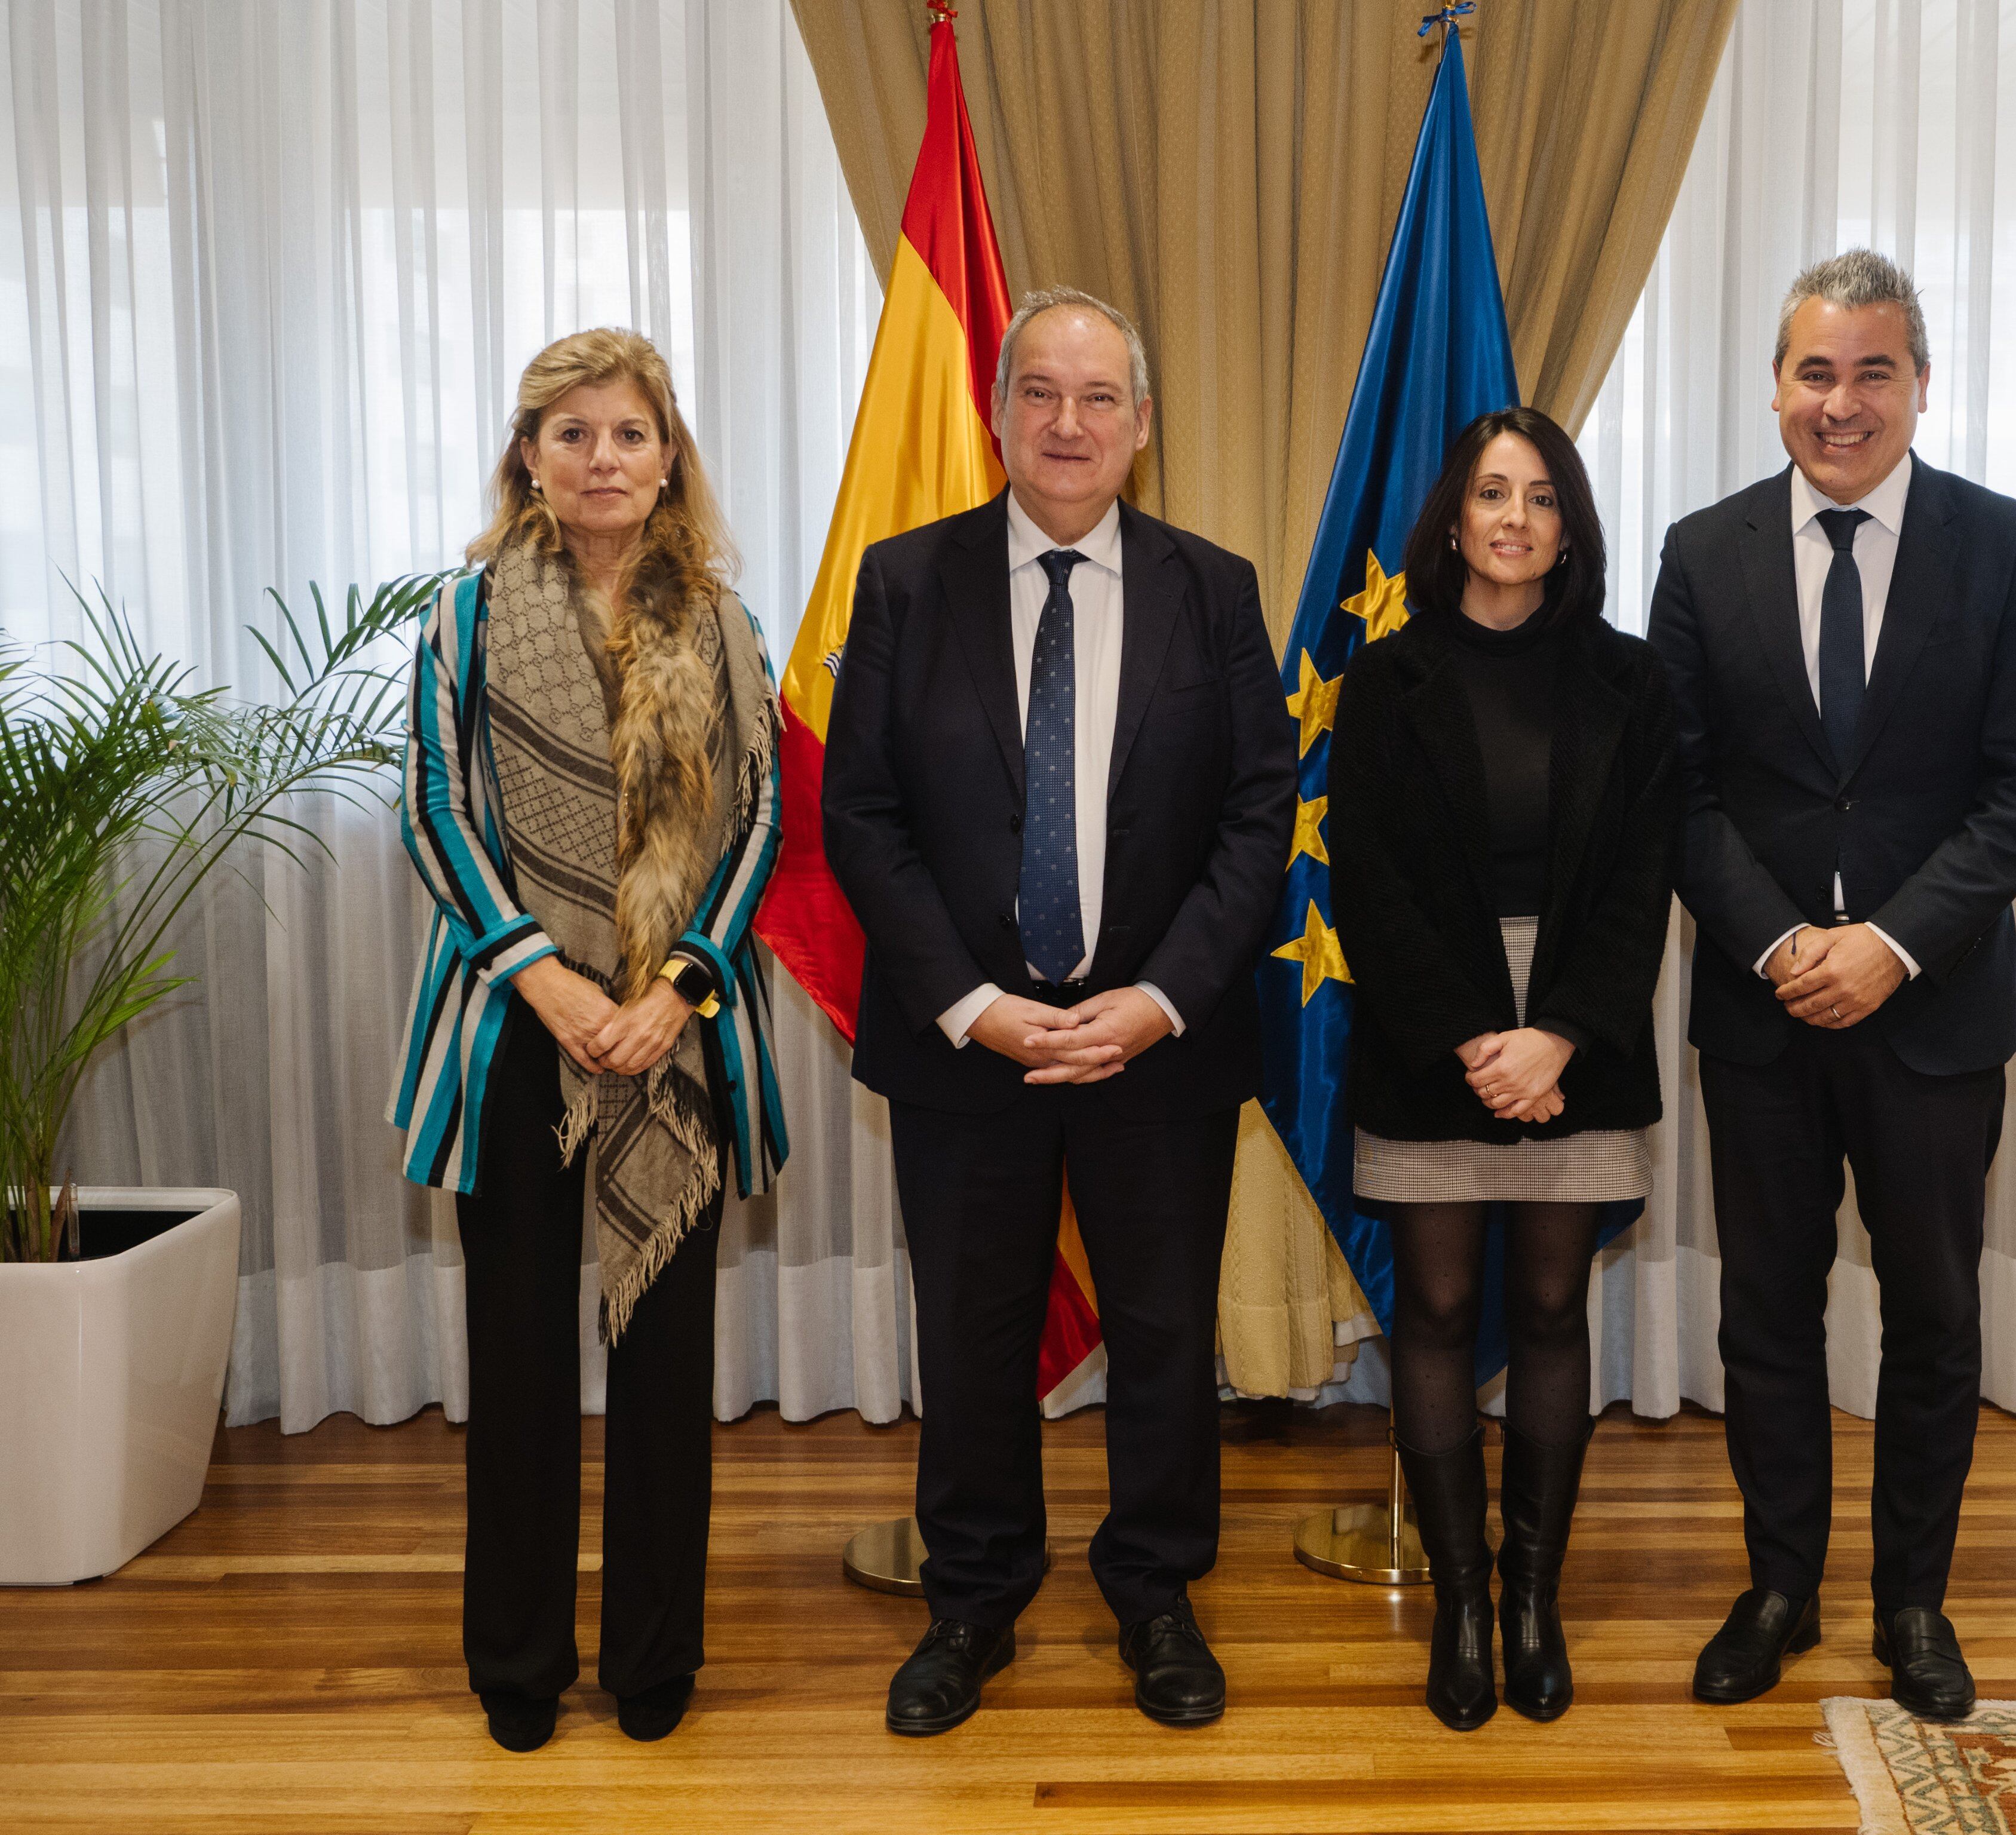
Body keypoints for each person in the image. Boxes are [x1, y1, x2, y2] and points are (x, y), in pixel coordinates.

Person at [822, 287, 1296, 1735]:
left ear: (1141, 427)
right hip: (969, 1047)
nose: (1068, 423)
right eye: (1041, 392)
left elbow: (1256, 815)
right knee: (972, 1336)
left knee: (1160, 1334)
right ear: (998, 413)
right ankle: (972, 1602)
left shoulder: (1211, 589)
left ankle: (1155, 1595)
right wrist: (970, 1003)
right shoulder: (906, 583)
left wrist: (1155, 1001)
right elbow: (860, 815)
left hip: (1158, 1046)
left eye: (1099, 398)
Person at [1646, 251, 2016, 1720]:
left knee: (1932, 1317)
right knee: (1763, 1310)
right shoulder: (1699, 555)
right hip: (1759, 1017)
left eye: (1870, 371)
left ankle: (1912, 1605)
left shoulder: (2004, 548)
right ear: (1775, 386)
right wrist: (1779, 947)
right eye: (1813, 373)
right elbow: (1681, 794)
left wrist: (1885, 945)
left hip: (1933, 1009)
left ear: (1917, 385)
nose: (1841, 403)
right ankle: (1775, 1589)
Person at [392, 328, 788, 1753]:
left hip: (672, 1038)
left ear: (667, 457)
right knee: (516, 1357)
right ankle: (515, 1660)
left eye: (628, 434)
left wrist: (674, 988)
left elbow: (760, 822)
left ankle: (653, 1656)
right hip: (515, 1032)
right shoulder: (464, 616)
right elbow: (433, 811)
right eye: (572, 435)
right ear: (529, 460)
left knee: (668, 1362)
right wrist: (546, 985)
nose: (602, 459)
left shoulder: (729, 626)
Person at [1330, 407, 1680, 1729]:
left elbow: (1642, 881)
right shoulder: (1384, 680)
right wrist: (1474, 1040)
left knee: (1545, 1313)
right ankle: (1462, 1610)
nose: (1515, 518)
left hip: (1577, 1029)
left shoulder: (1632, 682)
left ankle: (1535, 1603)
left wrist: (1560, 1038)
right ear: (1455, 518)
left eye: (1541, 497)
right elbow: (1365, 881)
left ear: (1568, 525)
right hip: (1438, 1033)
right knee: (1428, 1314)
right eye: (1491, 493)